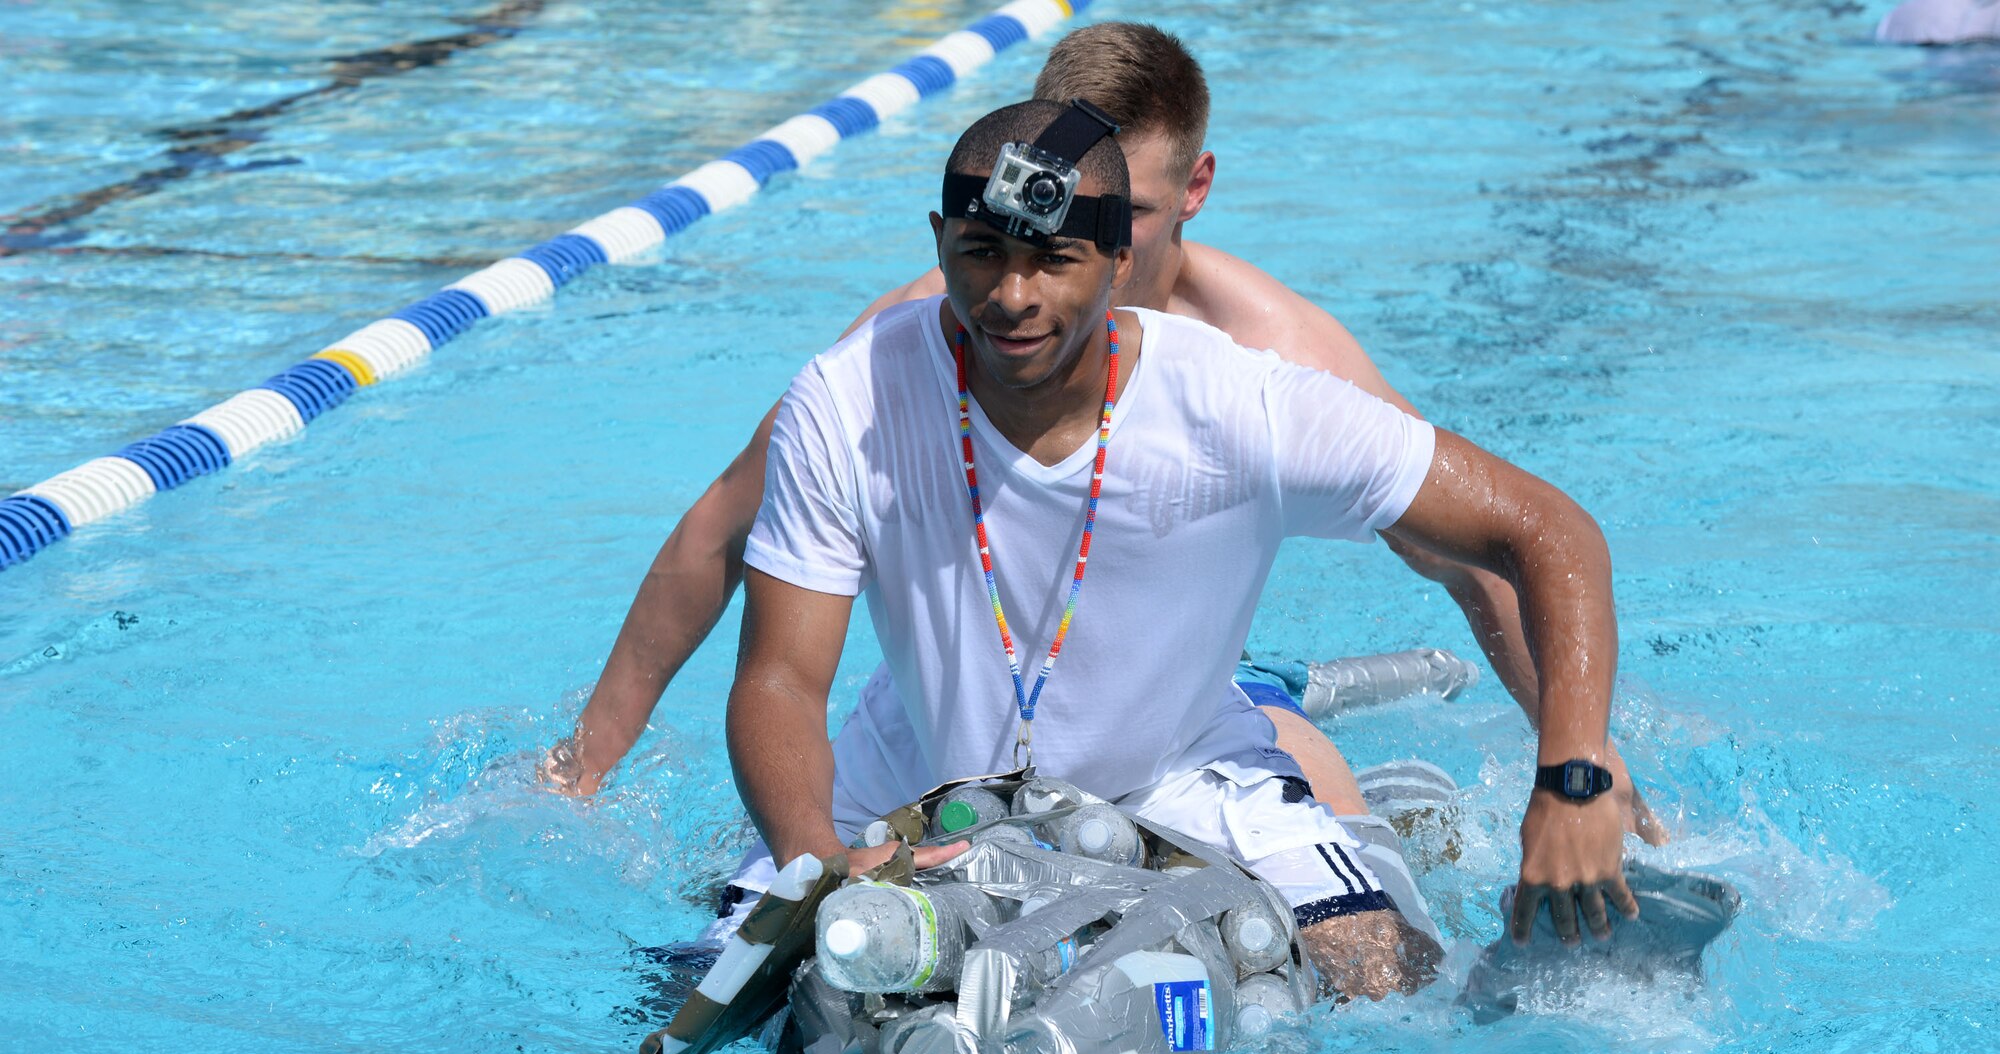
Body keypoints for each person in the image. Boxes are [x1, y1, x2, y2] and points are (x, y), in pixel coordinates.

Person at [545, 21, 1665, 848]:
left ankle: (1390, 789)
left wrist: (1585, 771)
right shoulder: (900, 348)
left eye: (1111, 214)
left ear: (1190, 193)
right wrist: (585, 766)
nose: (1026, 280)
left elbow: (1480, 564)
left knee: (1319, 798)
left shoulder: (1276, 366)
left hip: (1191, 703)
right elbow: (721, 535)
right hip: (957, 706)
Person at [729, 98, 1637, 1000]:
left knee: (1395, 992)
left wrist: (1575, 777)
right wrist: (819, 860)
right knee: (726, 999)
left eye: (1052, 259)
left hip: (1186, 774)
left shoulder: (1240, 406)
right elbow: (780, 678)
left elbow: (1545, 527)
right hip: (918, 770)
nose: (1011, 297)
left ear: (1120, 257)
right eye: (982, 254)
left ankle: (1390, 814)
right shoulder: (849, 402)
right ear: (937, 240)